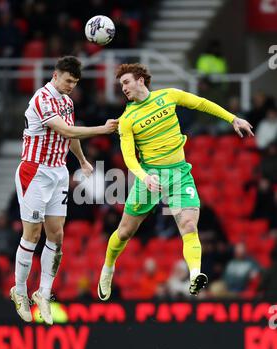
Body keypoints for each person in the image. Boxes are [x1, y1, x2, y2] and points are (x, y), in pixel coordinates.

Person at [97, 63, 254, 301]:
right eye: (121, 85)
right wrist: (145, 177)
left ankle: (194, 276)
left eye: (126, 82)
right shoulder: (127, 119)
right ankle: (108, 268)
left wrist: (232, 118)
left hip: (179, 174)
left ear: (141, 80)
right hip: (150, 176)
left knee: (189, 226)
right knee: (125, 232)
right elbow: (129, 157)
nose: (124, 88)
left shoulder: (168, 96)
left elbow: (201, 103)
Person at [10, 56, 118, 324]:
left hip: (58, 172)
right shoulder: (42, 98)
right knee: (32, 233)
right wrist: (102, 130)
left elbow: (69, 136)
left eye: (75, 82)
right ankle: (20, 291)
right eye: (68, 80)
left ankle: (43, 294)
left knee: (56, 236)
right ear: (55, 76)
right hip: (35, 170)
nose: (71, 86)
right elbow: (63, 128)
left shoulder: (67, 102)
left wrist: (81, 160)